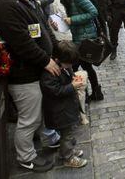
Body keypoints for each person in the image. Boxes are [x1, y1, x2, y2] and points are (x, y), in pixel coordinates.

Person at [0, 0, 61, 172]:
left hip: (35, 71)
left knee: (36, 114)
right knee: (29, 119)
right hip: (23, 74)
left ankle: (44, 142)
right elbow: (22, 43)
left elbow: (41, 28)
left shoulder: (27, 0)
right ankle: (26, 157)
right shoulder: (6, 6)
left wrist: (55, 50)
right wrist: (45, 60)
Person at [57, 0, 104, 101]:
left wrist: (72, 20)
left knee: (76, 65)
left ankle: (82, 93)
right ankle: (94, 92)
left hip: (85, 38)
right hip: (79, 36)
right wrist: (62, 23)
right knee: (85, 66)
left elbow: (93, 12)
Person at [40, 40, 88, 168]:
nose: (70, 66)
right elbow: (55, 91)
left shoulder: (64, 66)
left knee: (69, 134)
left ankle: (67, 151)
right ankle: (68, 157)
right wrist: (72, 86)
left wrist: (74, 78)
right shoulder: (50, 73)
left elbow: (68, 75)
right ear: (57, 59)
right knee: (67, 135)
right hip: (60, 112)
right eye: (68, 64)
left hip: (67, 109)